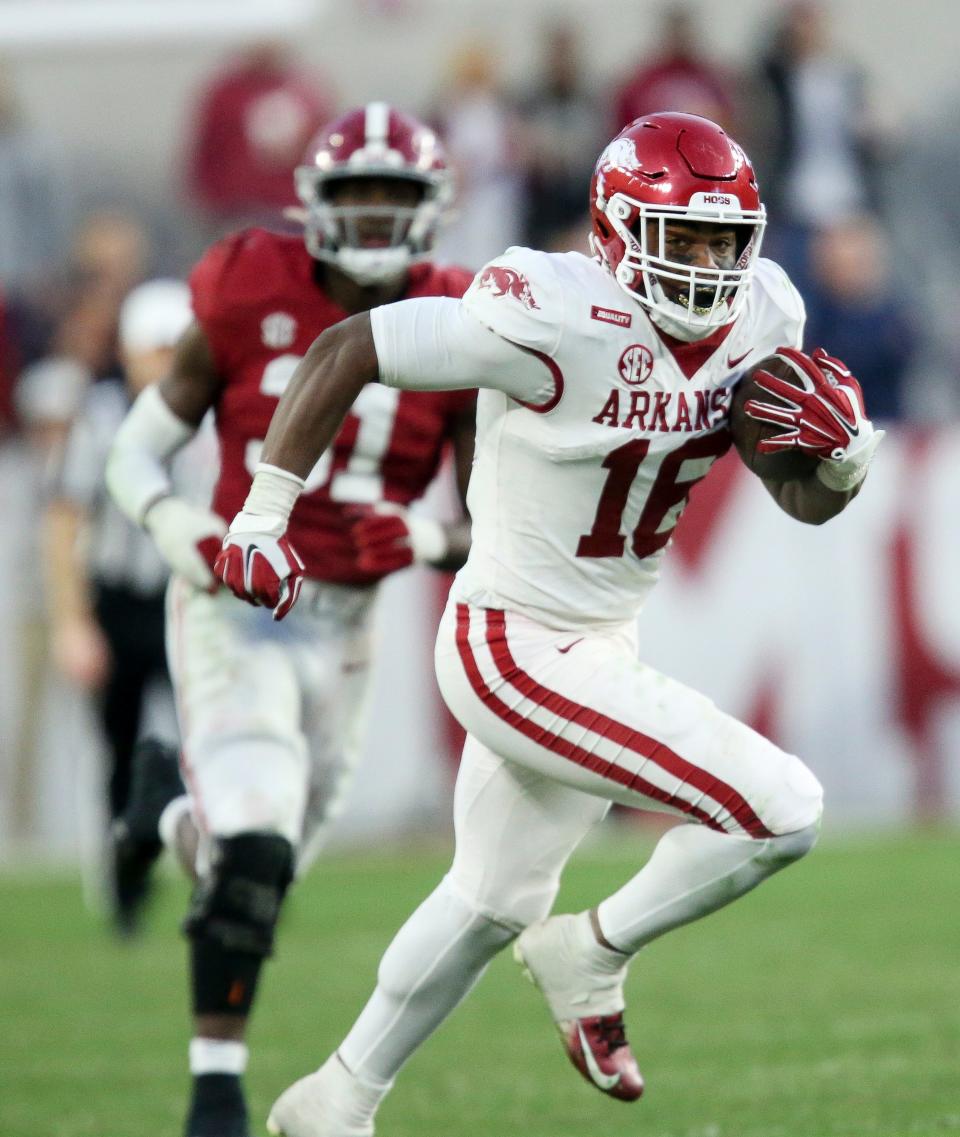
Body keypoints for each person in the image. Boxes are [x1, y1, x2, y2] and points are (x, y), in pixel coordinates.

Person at [213, 111, 884, 1136]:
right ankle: (594, 949)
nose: (708, 265)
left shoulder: (766, 315)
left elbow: (797, 495)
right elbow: (354, 344)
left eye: (723, 240)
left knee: (489, 901)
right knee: (781, 809)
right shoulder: (550, 307)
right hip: (511, 640)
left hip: (602, 639)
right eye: (683, 239)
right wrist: (264, 512)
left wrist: (837, 464)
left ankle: (335, 1100)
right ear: (617, 230)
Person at [106, 104, 476, 1137]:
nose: (370, 213)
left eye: (392, 195)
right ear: (313, 202)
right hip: (236, 604)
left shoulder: (463, 318)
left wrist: (427, 539)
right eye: (354, 191)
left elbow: (493, 528)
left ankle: (162, 817)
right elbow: (132, 452)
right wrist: (175, 520)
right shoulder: (245, 284)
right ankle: (214, 1090)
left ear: (430, 209)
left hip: (349, 624)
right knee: (259, 843)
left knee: (263, 870)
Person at [44, 279, 202, 932]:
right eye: (154, 349)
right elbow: (62, 520)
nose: (165, 363)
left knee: (212, 741)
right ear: (131, 351)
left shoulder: (215, 414)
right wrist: (72, 621)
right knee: (116, 748)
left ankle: (225, 874)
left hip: (191, 597)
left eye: (176, 348)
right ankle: (123, 884)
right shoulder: (102, 417)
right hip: (118, 598)